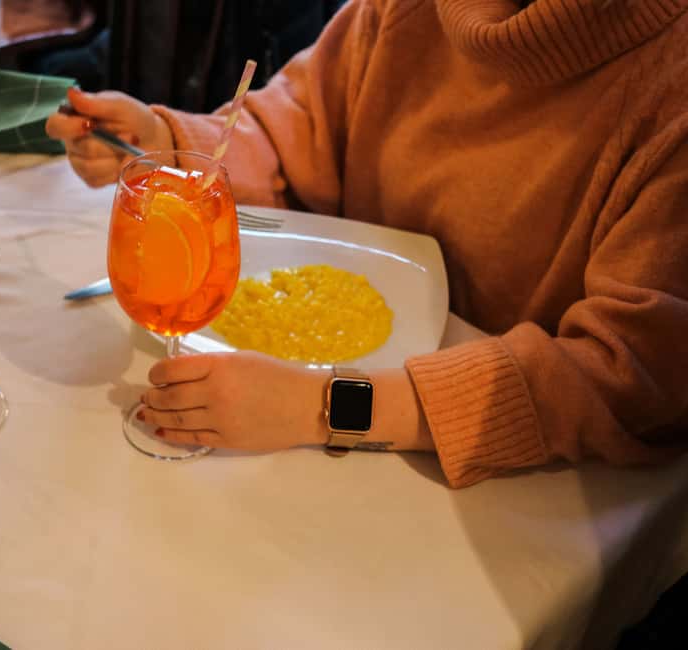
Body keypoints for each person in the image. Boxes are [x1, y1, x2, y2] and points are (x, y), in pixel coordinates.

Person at [44, 0, 688, 488]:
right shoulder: (401, 12)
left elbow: (633, 377)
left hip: (522, 485)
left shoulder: (669, 83)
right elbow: (300, 129)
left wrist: (324, 406)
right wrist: (170, 144)